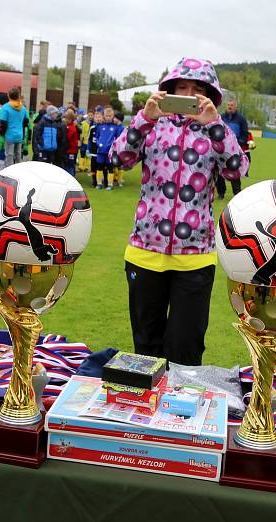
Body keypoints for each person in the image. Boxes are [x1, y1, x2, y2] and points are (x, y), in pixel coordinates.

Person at [110, 57, 249, 365]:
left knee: (186, 352)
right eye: (181, 87)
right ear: (169, 90)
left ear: (210, 96)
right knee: (146, 350)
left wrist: (215, 125)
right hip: (144, 253)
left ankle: (180, 414)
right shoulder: (152, 123)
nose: (188, 94)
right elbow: (118, 158)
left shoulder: (214, 131)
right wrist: (144, 118)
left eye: (197, 89)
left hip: (195, 258)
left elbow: (238, 168)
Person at [217, 98, 249, 198]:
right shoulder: (221, 118)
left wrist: (237, 144)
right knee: (219, 171)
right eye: (228, 105)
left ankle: (237, 194)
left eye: (232, 105)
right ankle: (221, 193)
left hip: (235, 150)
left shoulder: (241, 119)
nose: (229, 107)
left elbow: (245, 135)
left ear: (235, 106)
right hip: (221, 150)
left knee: (234, 172)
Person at [0, 87, 29, 167]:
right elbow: (26, 122)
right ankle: (18, 171)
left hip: (9, 135)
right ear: (18, 96)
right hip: (19, 135)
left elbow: (3, 123)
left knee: (9, 155)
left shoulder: (5, 107)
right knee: (18, 155)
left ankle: (10, 173)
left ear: (8, 96)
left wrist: (2, 133)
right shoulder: (22, 108)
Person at [95, 106, 122, 190]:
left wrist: (113, 146)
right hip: (100, 151)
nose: (108, 117)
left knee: (110, 168)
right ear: (104, 116)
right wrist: (99, 144)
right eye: (106, 116)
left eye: (110, 116)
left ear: (113, 116)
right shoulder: (100, 126)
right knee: (99, 167)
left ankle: (110, 184)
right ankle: (99, 183)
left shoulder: (115, 127)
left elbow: (118, 139)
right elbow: (97, 137)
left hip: (110, 152)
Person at [63, 108, 79, 176]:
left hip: (71, 150)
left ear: (70, 119)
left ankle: (71, 177)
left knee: (70, 165)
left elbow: (68, 137)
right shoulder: (69, 126)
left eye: (66, 119)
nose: (64, 120)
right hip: (69, 150)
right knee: (68, 164)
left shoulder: (71, 127)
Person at [88, 110, 101, 187]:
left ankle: (100, 181)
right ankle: (94, 181)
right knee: (93, 167)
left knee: (100, 167)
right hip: (93, 151)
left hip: (101, 152)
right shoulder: (92, 128)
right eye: (96, 117)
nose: (98, 118)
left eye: (99, 117)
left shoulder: (103, 127)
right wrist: (88, 150)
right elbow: (89, 139)